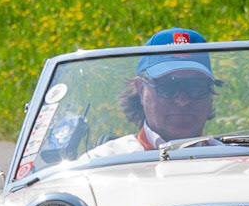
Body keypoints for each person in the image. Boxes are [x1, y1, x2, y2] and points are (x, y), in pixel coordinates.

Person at [86, 28, 224, 158]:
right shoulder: (101, 162)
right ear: (141, 90)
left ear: (210, 94)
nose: (182, 100)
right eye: (168, 87)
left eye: (195, 87)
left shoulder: (233, 160)